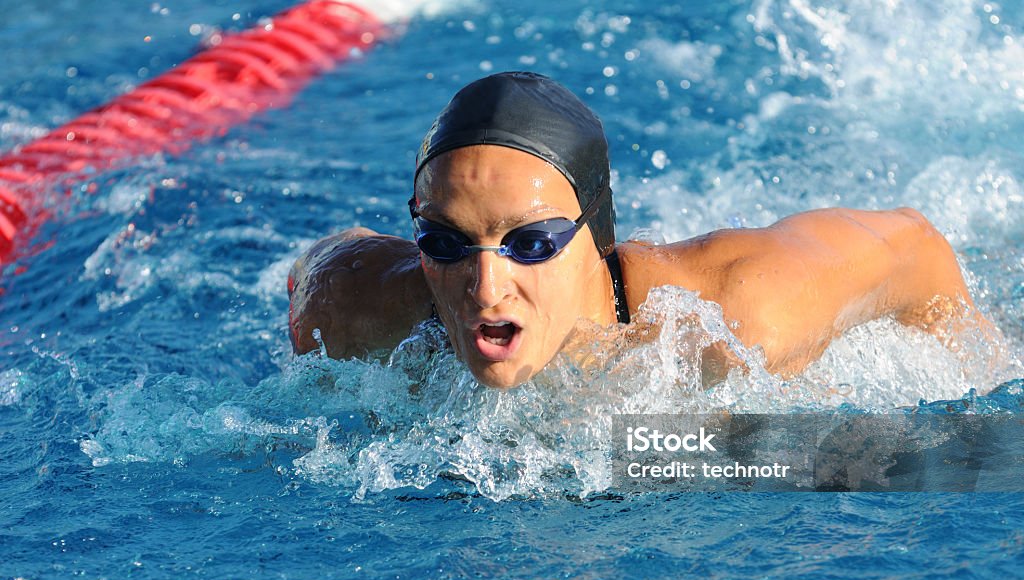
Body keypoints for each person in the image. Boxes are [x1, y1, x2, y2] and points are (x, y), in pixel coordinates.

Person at [288, 71, 992, 389]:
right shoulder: (352, 308)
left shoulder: (738, 323)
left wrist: (977, 370)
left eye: (530, 243)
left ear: (596, 237)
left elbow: (915, 244)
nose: (485, 284)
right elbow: (314, 266)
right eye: (447, 242)